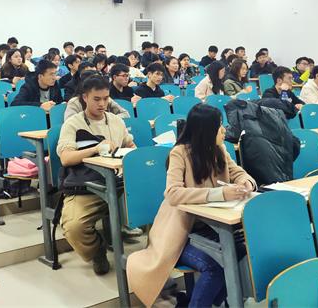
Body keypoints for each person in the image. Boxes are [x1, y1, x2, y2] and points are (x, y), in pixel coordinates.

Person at [127, 103, 255, 307]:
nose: (224, 130)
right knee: (215, 267)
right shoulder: (180, 153)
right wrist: (220, 193)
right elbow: (173, 193)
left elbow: (238, 172)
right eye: (219, 126)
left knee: (242, 252)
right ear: (206, 130)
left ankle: (195, 302)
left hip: (214, 227)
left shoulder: (219, 149)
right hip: (181, 234)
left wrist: (246, 182)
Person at [58, 75, 136, 275]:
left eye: (106, 98)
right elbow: (66, 158)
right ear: (85, 97)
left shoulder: (116, 121)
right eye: (96, 99)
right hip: (88, 186)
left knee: (159, 206)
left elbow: (129, 145)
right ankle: (97, 251)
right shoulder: (73, 123)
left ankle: (155, 257)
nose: (102, 104)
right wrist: (95, 149)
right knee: (74, 228)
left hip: (120, 183)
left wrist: (132, 154)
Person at [65, 70, 129, 120]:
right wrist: (94, 121)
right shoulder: (75, 102)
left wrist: (107, 120)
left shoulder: (105, 98)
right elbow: (69, 122)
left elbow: (125, 114)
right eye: (96, 99)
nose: (102, 104)